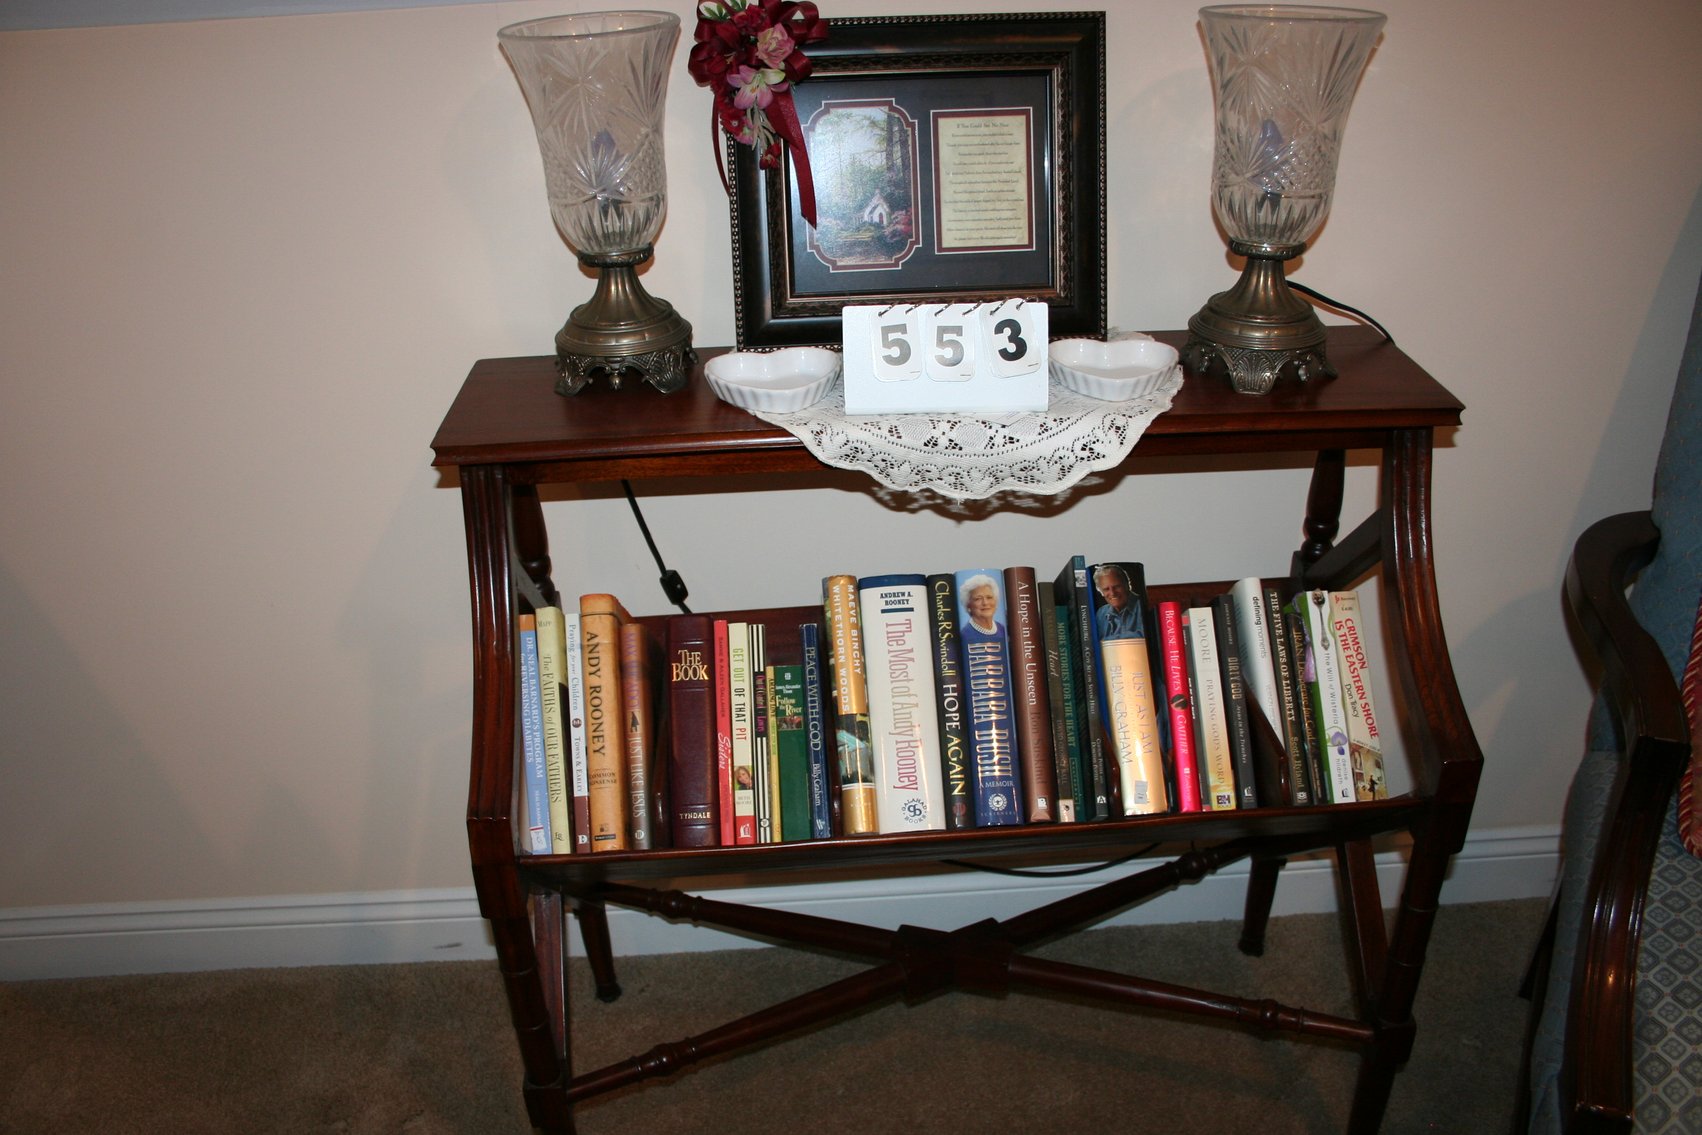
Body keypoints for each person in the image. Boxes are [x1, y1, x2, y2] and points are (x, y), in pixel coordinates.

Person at [1093, 563, 1146, 641]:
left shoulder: (1143, 605)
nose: (1112, 593)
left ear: (1127, 585)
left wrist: (1105, 641)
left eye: (1117, 587)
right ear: (1101, 592)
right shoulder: (1101, 613)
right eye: (1106, 589)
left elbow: (1144, 636)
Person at [958, 573, 1005, 643]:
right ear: (968, 604)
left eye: (989, 597)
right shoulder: (964, 636)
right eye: (978, 599)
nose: (985, 603)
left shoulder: (1003, 630)